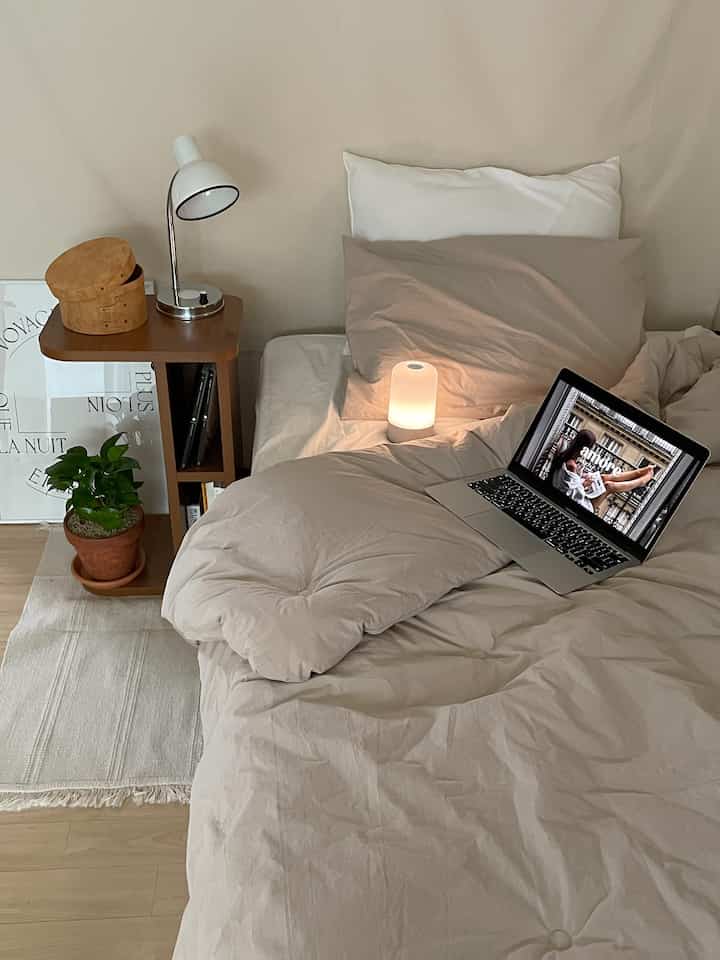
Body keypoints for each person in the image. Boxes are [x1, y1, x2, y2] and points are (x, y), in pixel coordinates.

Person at [550, 428, 655, 515]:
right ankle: (641, 482)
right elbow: (573, 493)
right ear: (584, 448)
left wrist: (582, 478)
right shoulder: (571, 465)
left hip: (577, 495)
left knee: (604, 477)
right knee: (609, 486)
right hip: (581, 505)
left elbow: (568, 484)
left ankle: (639, 472)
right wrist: (585, 483)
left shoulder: (567, 456)